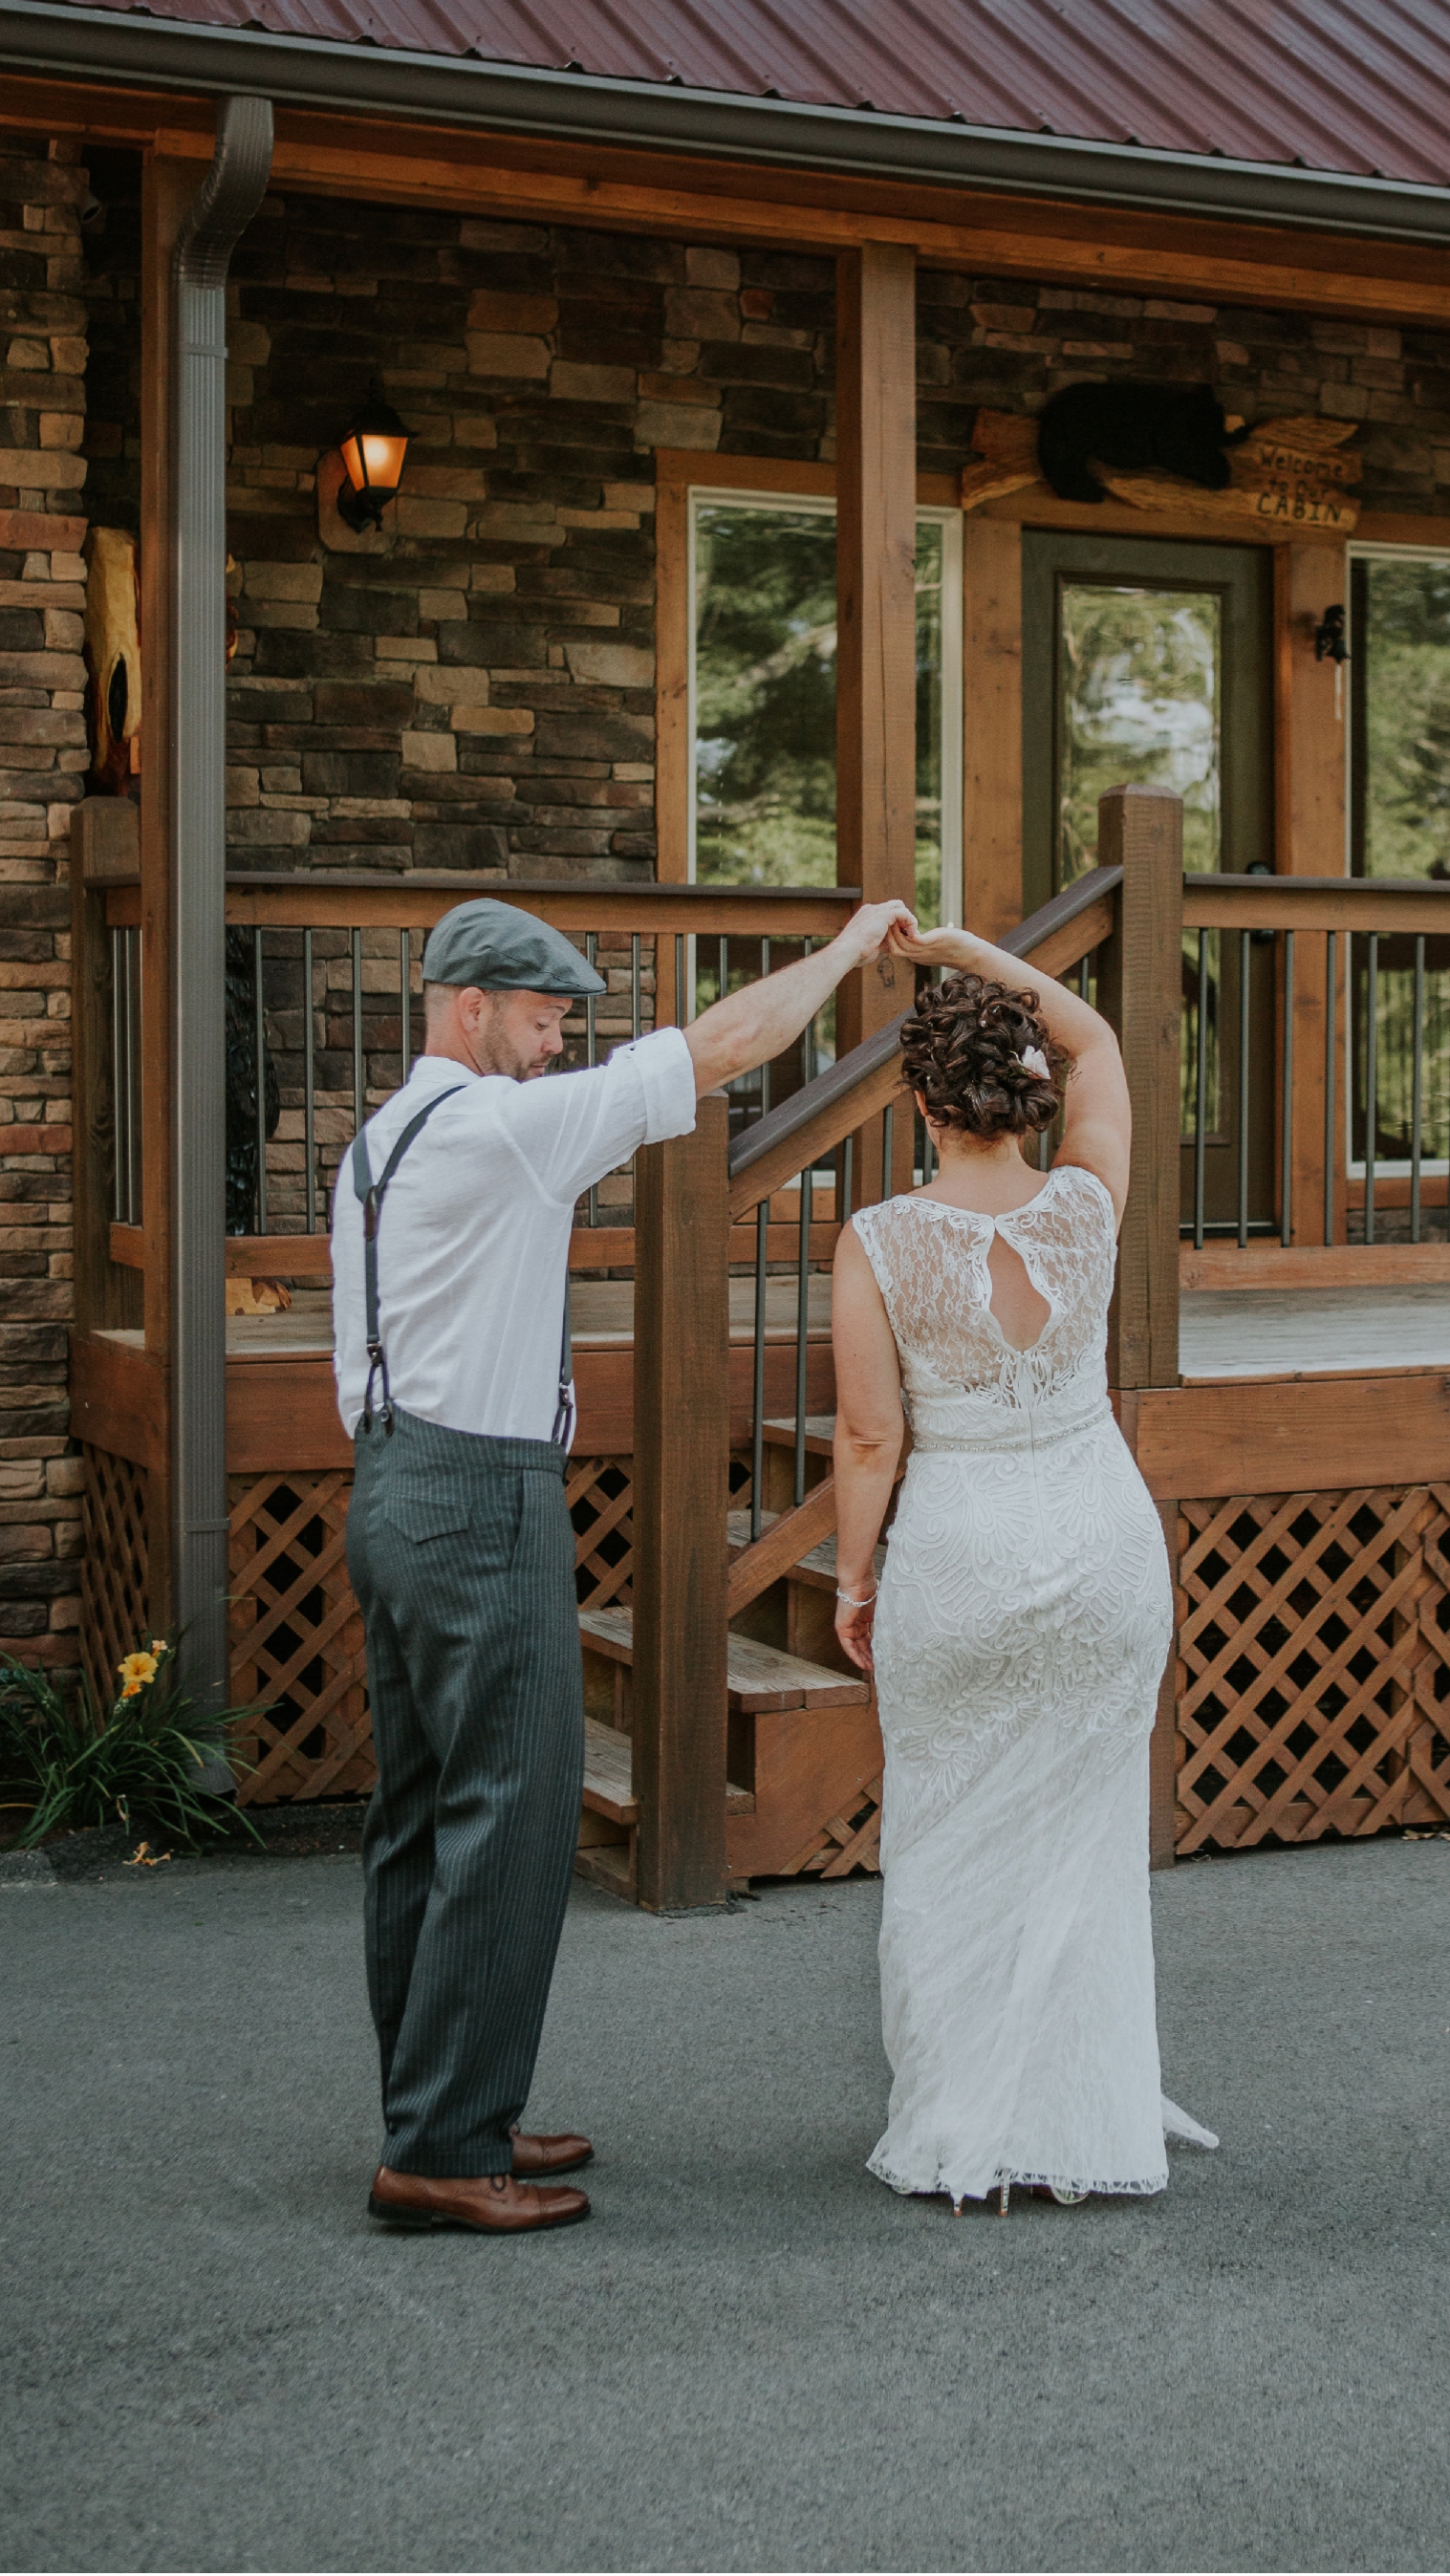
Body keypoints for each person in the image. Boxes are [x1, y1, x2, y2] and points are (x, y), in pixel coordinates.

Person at [334, 890, 910, 2236]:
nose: (554, 1047)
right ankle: (440, 2148)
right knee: (513, 1813)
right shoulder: (499, 1125)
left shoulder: (382, 1137)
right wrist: (841, 948)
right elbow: (716, 1047)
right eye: (541, 1021)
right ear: (469, 1005)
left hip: (394, 1483)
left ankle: (445, 2108)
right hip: (479, 1502)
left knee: (420, 1815)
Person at [830, 920, 1217, 2213]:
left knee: (951, 1835)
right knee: (1086, 1841)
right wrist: (967, 951)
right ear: (1029, 1089)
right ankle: (1086, 2117)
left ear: (923, 1100)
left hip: (967, 1547)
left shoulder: (881, 1242)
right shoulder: (1086, 1203)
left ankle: (968, 2125)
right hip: (1104, 1542)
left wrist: (849, 1577)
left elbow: (872, 1434)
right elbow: (1097, 1033)